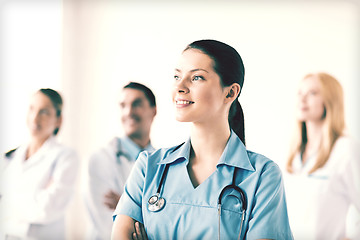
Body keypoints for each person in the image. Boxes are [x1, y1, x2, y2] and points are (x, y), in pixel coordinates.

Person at [111, 40, 293, 240]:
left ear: (231, 92)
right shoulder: (149, 167)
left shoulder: (262, 176)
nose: (180, 86)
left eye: (196, 77)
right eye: (176, 76)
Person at [284, 72, 360, 240]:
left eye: (312, 93)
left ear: (330, 100)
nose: (302, 99)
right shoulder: (294, 152)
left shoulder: (345, 149)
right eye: (300, 93)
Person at [0, 88, 79, 240]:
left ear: (58, 120)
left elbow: (48, 208)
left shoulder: (66, 156)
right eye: (32, 109)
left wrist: (7, 201)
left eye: (44, 112)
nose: (35, 118)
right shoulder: (9, 157)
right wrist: (34, 197)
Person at [84, 82, 157, 240]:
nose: (128, 112)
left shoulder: (162, 164)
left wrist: (124, 206)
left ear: (154, 111)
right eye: (123, 105)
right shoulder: (100, 159)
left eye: (136, 104)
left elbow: (167, 223)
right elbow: (107, 226)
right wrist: (148, 212)